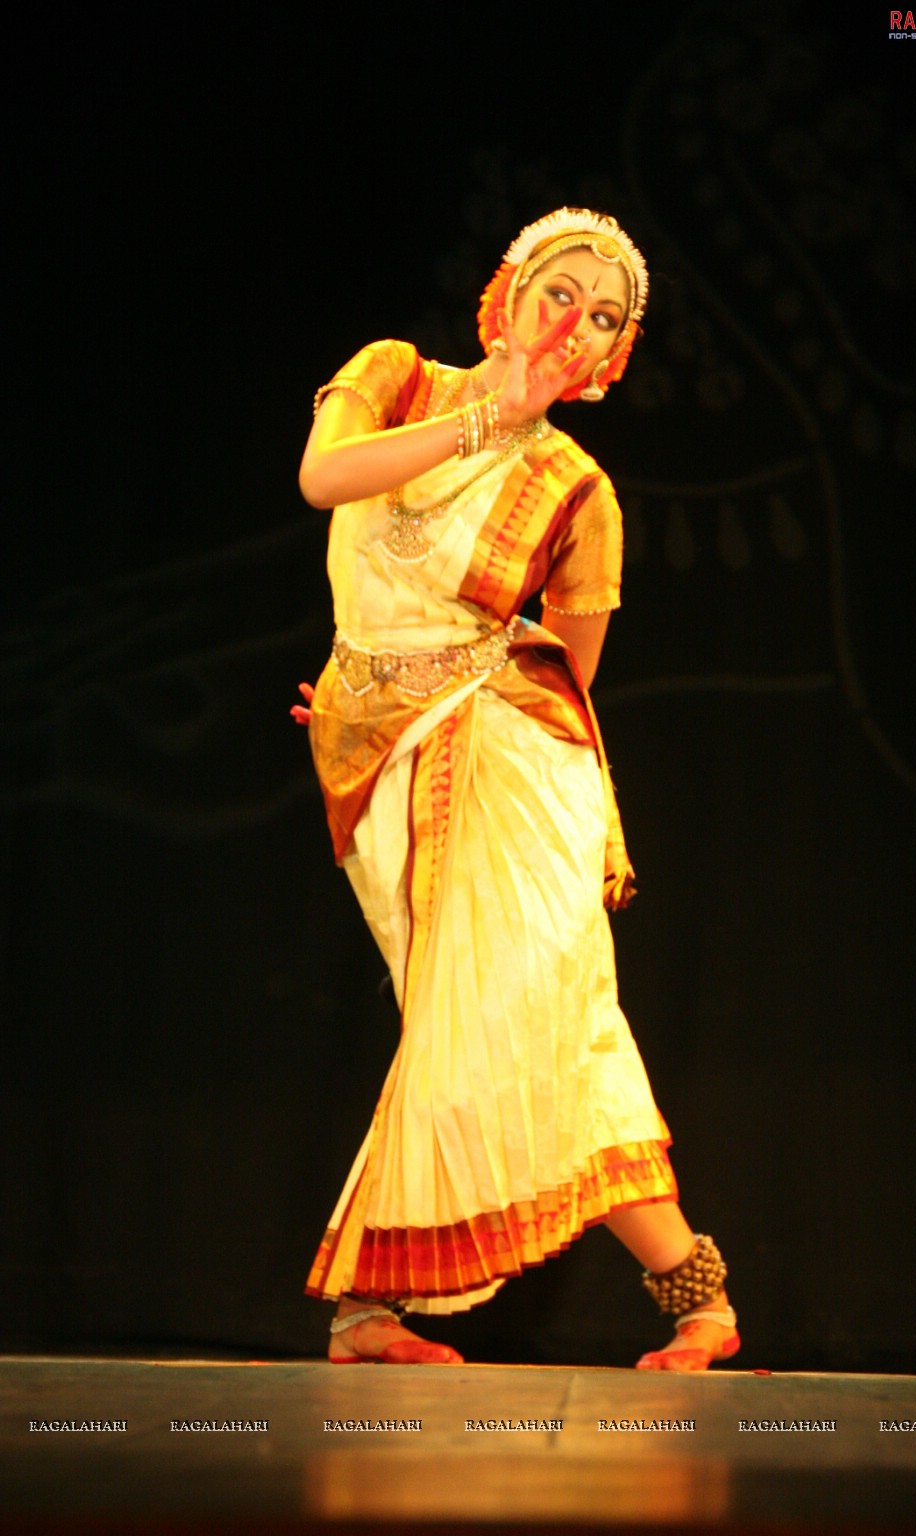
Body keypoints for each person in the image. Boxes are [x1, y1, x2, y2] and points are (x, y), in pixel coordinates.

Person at [294, 208, 738, 1372]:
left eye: (606, 320)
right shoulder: (395, 378)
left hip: (511, 761)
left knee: (519, 1017)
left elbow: (569, 678)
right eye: (563, 292)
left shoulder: (577, 490)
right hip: (372, 756)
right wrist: (371, 697)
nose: (575, 324)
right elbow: (323, 477)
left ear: (609, 363)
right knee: (476, 1031)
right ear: (507, 291)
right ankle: (693, 1301)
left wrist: (432, 685)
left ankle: (371, 1311)